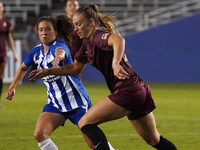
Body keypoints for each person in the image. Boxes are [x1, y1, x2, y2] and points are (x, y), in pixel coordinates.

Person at [28, 3, 178, 150]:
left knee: (85, 122)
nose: (76, 29)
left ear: (91, 22)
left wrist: (115, 62)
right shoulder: (87, 45)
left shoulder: (97, 37)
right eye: (74, 25)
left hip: (128, 91)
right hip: (139, 90)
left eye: (79, 24)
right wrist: (47, 71)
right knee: (154, 140)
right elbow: (74, 68)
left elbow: (119, 40)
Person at [0, 2, 18, 107]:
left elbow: (9, 38)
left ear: (2, 8)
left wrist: (14, 53)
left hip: (2, 51)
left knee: (0, 76)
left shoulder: (5, 22)